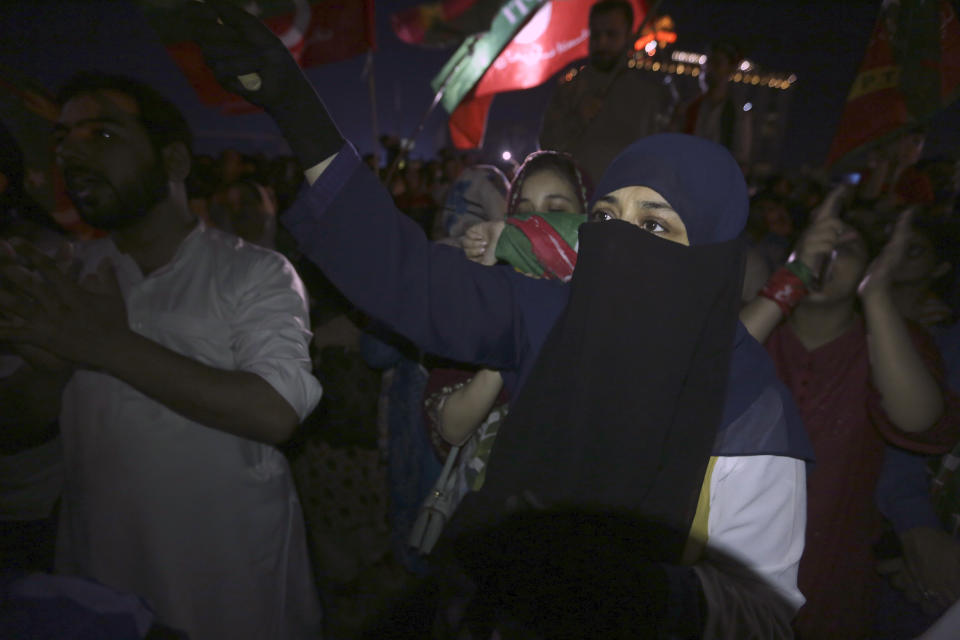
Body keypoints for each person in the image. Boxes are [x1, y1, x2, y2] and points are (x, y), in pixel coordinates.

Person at [187, 3, 813, 635]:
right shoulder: (550, 313)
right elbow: (405, 277)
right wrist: (296, 105)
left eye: (653, 225)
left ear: (708, 259)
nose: (620, 243)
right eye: (605, 219)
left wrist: (623, 593)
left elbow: (761, 617)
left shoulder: (751, 407)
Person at [0, 72, 322, 639]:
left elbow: (276, 411)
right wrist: (53, 368)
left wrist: (104, 345)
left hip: (230, 594)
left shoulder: (253, 272)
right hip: (99, 594)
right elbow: (15, 423)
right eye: (61, 141)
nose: (71, 156)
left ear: (173, 160)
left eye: (100, 136)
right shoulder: (72, 273)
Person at [739, 197, 960, 638]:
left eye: (848, 250)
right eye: (817, 245)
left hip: (833, 579)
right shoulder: (753, 332)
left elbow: (919, 420)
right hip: (732, 570)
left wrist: (876, 292)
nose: (826, 258)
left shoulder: (895, 342)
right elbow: (701, 375)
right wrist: (792, 278)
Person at [539, 0, 672, 183]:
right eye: (596, 35)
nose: (602, 43)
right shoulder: (569, 90)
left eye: (611, 35)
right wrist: (577, 118)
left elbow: (658, 161)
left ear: (628, 36)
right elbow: (547, 147)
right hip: (575, 204)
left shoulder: (648, 96)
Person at [671, 41, 753, 167]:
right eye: (707, 63)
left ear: (730, 69)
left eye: (717, 63)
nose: (709, 69)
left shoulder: (738, 115)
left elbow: (741, 161)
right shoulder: (689, 108)